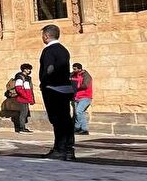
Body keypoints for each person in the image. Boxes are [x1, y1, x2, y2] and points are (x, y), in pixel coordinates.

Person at [38, 24, 76, 160]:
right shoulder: (64, 50)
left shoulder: (49, 51)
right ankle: (69, 149)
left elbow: (49, 68)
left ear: (46, 36)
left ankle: (59, 149)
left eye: (43, 35)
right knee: (66, 119)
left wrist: (45, 83)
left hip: (53, 88)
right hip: (65, 88)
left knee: (57, 120)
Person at [7, 63, 35, 133]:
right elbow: (18, 89)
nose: (29, 70)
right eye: (28, 69)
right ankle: (21, 128)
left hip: (25, 98)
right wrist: (27, 97)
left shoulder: (27, 77)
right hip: (22, 98)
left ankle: (23, 128)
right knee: (23, 114)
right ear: (24, 69)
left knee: (25, 113)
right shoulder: (20, 77)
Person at [72, 62, 93, 135]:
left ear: (79, 69)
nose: (73, 70)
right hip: (76, 97)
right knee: (78, 113)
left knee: (78, 111)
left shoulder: (86, 75)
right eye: (73, 68)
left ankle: (83, 129)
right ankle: (78, 128)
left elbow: (85, 85)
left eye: (75, 69)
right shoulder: (73, 75)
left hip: (85, 97)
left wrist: (75, 86)